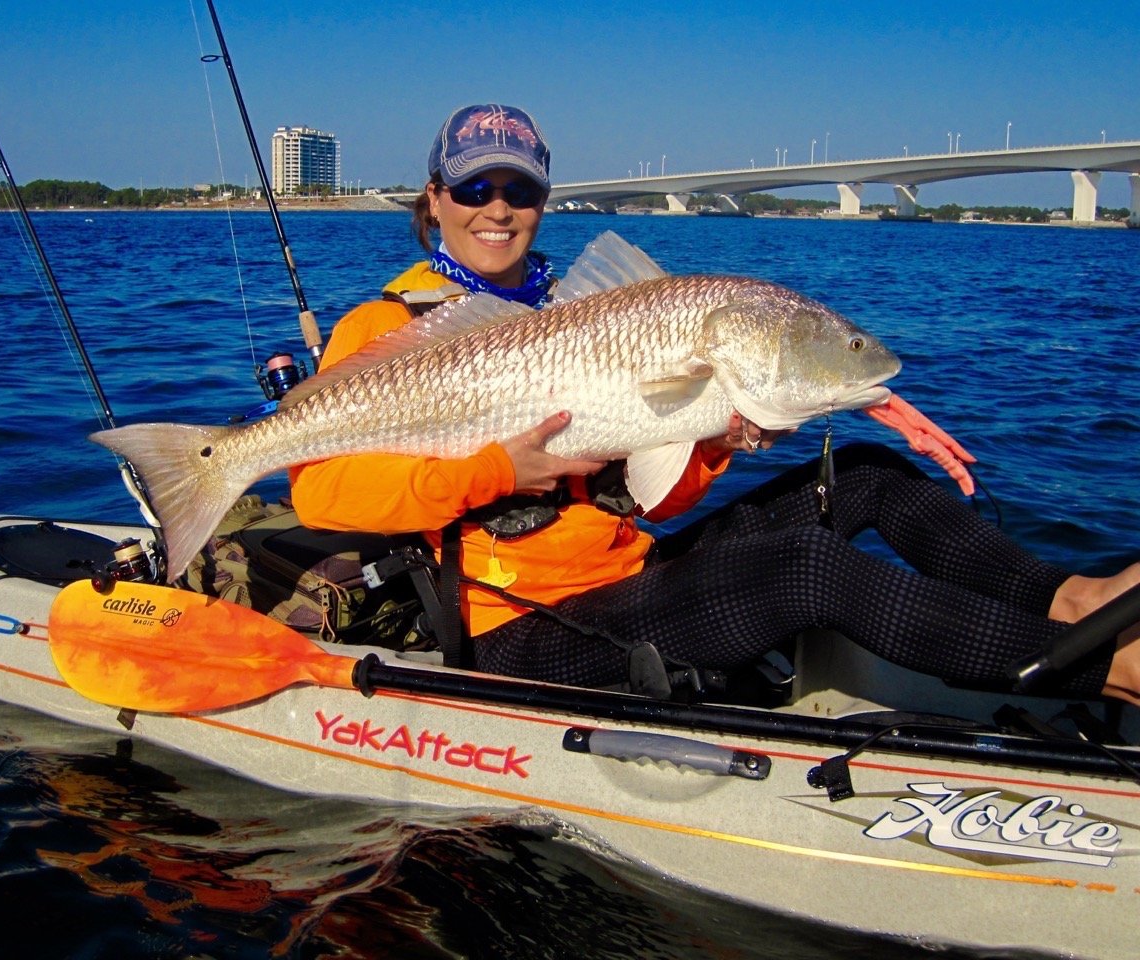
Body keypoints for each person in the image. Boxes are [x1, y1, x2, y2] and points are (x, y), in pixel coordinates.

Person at [288, 103, 1140, 706]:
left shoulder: (578, 312)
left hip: (628, 574)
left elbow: (658, 495)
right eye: (474, 190)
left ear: (544, 200)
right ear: (434, 199)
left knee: (870, 472)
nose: (499, 209)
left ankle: (1072, 601)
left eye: (521, 189)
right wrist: (496, 469)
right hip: (516, 626)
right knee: (804, 569)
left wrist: (719, 440)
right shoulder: (385, 327)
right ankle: (1101, 673)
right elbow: (318, 494)